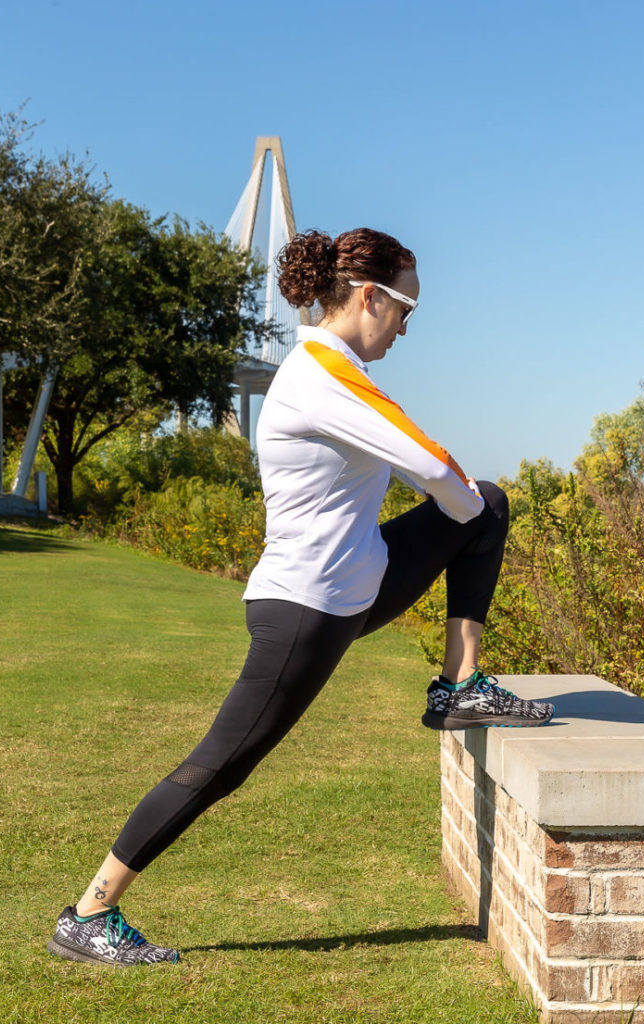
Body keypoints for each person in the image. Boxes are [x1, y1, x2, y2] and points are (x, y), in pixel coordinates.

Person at [47, 228, 554, 966]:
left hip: (358, 582)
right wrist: (464, 512)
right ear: (371, 297)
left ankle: (460, 687)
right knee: (221, 766)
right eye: (407, 311)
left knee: (491, 502)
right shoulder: (323, 374)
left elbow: (453, 487)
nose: (407, 329)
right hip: (307, 609)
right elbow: (433, 466)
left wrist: (471, 514)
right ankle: (90, 912)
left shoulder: (335, 368)